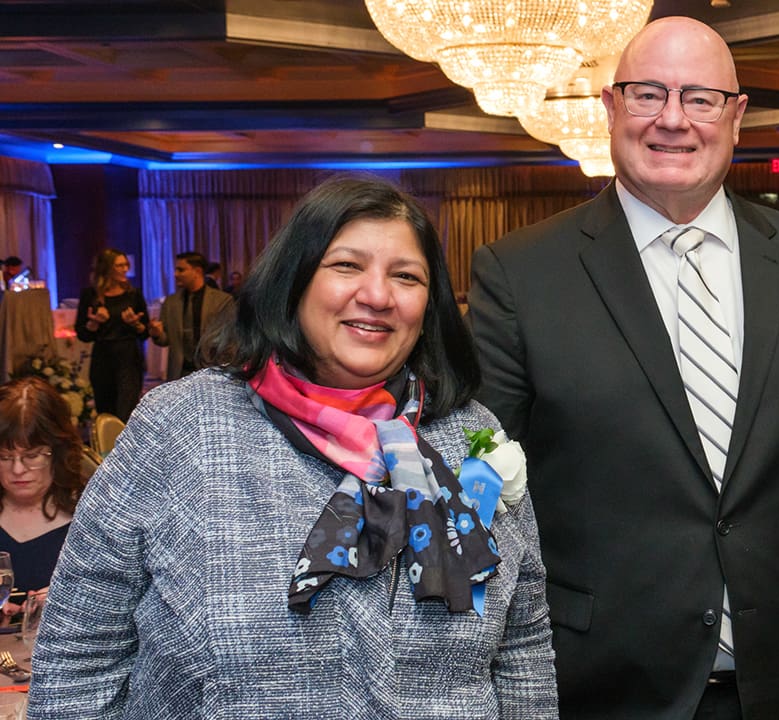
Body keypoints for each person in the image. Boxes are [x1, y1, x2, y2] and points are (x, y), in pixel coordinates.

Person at [28, 176, 556, 718]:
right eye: (346, 266)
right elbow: (80, 654)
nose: (377, 296)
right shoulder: (182, 426)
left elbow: (521, 645)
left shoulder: (470, 434)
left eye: (405, 276)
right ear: (294, 280)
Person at [469, 16, 779, 719]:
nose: (672, 120)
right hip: (602, 681)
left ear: (737, 115)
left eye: (700, 98)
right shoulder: (520, 272)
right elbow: (483, 490)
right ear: (610, 106)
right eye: (647, 93)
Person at [0, 376, 86, 619]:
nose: (17, 469)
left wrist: (70, 599)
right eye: (4, 457)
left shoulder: (88, 516)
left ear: (57, 453)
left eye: (32, 456)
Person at [73, 249, 149, 421]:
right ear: (106, 268)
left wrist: (135, 324)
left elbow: (145, 333)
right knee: (106, 411)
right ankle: (108, 446)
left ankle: (127, 447)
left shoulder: (133, 294)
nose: (124, 269)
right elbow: (83, 334)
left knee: (127, 410)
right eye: (119, 265)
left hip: (128, 357)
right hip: (103, 357)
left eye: (125, 265)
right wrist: (94, 323)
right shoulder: (90, 295)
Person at [148, 251, 235, 380]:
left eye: (181, 270)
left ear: (197, 271)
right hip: (180, 372)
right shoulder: (171, 302)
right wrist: (157, 333)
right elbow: (165, 340)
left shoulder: (222, 301)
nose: (175, 274)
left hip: (211, 371)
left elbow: (230, 338)